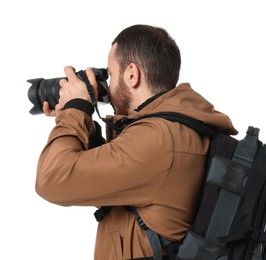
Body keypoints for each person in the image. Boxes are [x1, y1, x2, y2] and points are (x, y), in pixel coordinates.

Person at [35, 24, 238, 260]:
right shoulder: (177, 129)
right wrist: (79, 121)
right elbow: (109, 176)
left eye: (110, 74)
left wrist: (75, 110)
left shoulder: (159, 139)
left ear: (132, 74)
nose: (107, 86)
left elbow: (51, 180)